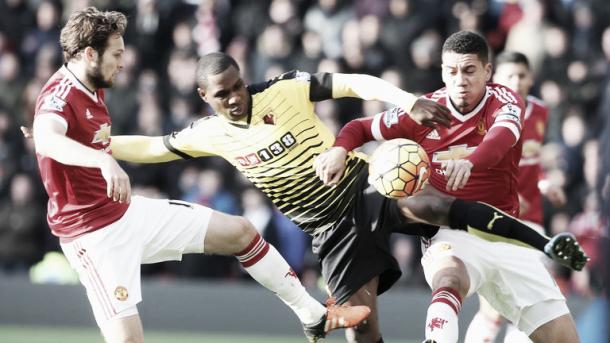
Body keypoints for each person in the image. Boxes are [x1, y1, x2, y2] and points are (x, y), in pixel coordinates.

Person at [90, 48, 589, 342]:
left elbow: (352, 82)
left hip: (365, 185)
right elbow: (154, 147)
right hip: (329, 231)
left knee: (435, 204)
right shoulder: (208, 133)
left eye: (238, 85)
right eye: (223, 94)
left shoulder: (283, 89)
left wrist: (406, 101)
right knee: (361, 330)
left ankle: (542, 244)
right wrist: (94, 141)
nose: (236, 97)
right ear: (205, 97)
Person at [30, 7, 370, 343]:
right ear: (90, 54)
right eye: (117, 54)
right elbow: (47, 138)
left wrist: (101, 152)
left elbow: (81, 137)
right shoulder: (60, 95)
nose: (123, 62)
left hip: (127, 213)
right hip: (93, 237)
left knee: (240, 232)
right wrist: (102, 162)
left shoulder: (91, 83)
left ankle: (313, 316)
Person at [317, 31, 583, 342]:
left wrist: (473, 161)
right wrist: (338, 149)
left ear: (487, 71)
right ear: (443, 71)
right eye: (451, 71)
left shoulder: (506, 100)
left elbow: (503, 138)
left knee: (564, 339)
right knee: (450, 277)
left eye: (469, 70)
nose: (460, 80)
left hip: (506, 233)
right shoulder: (425, 109)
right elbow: (359, 127)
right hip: (450, 228)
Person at [463, 51, 566, 343]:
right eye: (510, 75)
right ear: (494, 78)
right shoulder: (483, 114)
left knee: (527, 304)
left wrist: (546, 184)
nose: (516, 82)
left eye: (522, 75)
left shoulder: (541, 112)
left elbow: (534, 164)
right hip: (493, 219)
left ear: (531, 78)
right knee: (494, 311)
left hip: (530, 220)